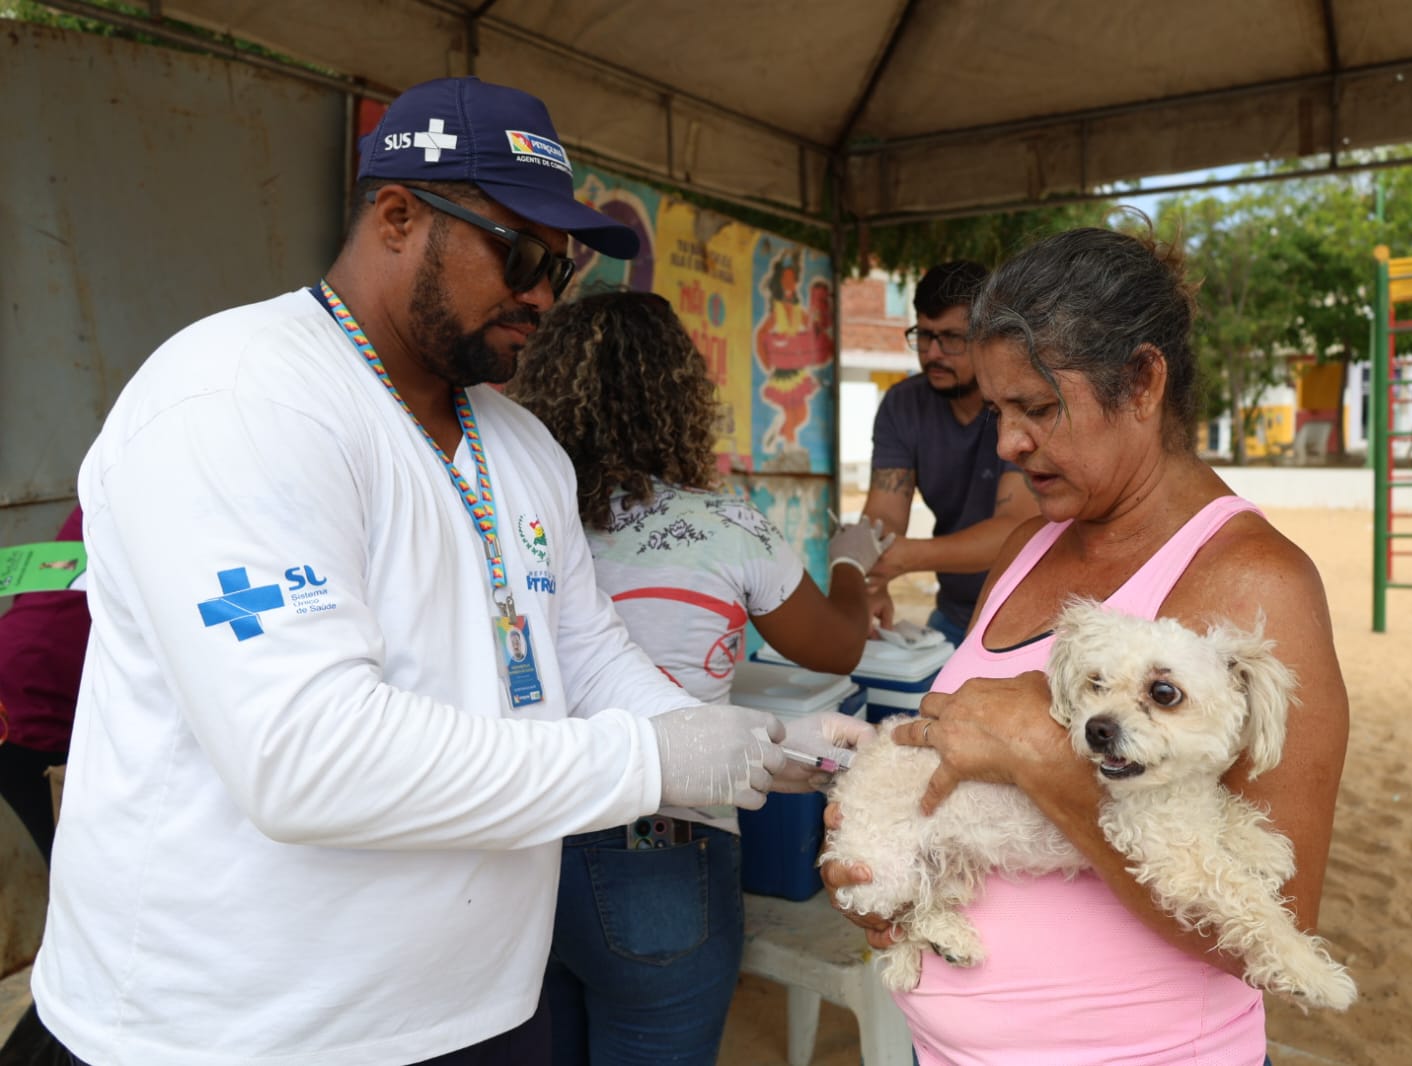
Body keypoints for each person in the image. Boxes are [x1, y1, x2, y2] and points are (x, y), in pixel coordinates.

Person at [28, 77, 821, 1066]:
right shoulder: (238, 397)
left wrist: (731, 740)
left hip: (481, 1011)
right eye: (521, 254)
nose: (541, 294)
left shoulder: (524, 445)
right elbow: (304, 756)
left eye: (561, 270)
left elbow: (585, 654)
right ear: (397, 216)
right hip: (229, 1033)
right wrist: (651, 763)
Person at [822, 225, 1350, 1064]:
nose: (1007, 443)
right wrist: (877, 869)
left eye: (1036, 408)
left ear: (1141, 381)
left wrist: (1045, 757)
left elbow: (1276, 925)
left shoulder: (1255, 582)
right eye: (998, 412)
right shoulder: (1027, 545)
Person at [504, 291, 882, 1065]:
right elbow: (837, 647)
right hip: (663, 852)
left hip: (520, 844)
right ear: (680, 394)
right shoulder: (726, 525)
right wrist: (850, 558)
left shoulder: (516, 524)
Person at [861, 260, 1039, 645]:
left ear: (989, 338)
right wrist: (873, 577)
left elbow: (1015, 529)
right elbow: (882, 516)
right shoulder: (902, 405)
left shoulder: (1019, 402)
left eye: (951, 338)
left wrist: (907, 558)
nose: (933, 353)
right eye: (924, 336)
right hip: (954, 615)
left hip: (1032, 618)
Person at [0, 506, 89, 1066]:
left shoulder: (111, 476)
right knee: (88, 912)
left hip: (20, 691)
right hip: (36, 717)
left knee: (83, 905)